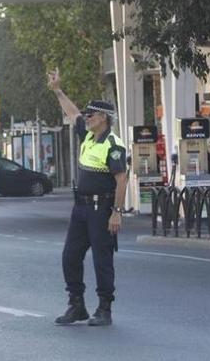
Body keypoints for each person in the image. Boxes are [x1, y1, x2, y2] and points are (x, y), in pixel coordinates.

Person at [48, 68, 127, 327]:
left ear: (103, 117)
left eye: (91, 114)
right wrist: (58, 90)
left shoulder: (112, 144)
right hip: (81, 208)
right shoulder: (88, 136)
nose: (86, 117)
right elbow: (72, 113)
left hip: (101, 208)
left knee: (102, 260)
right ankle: (77, 305)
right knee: (70, 255)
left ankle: (104, 308)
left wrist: (117, 212)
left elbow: (121, 180)